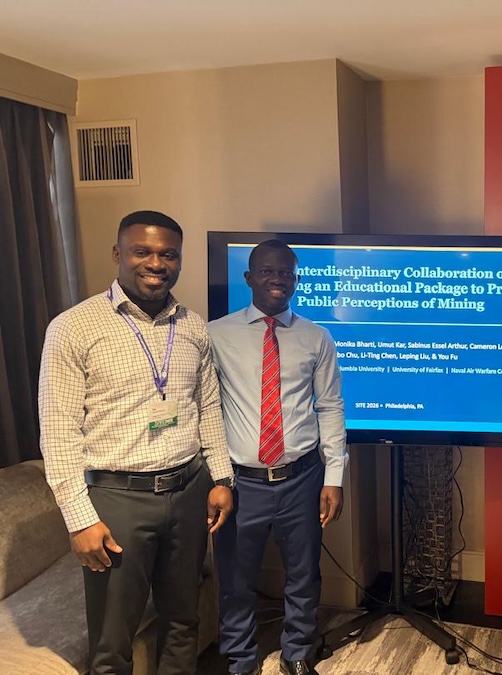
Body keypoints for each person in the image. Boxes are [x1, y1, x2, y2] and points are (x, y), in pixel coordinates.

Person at [38, 210, 235, 674]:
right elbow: (58, 432)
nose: (156, 263)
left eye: (168, 254)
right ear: (117, 254)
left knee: (183, 620)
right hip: (117, 499)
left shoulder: (192, 326)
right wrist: (79, 520)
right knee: (112, 643)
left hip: (189, 491)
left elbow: (208, 407)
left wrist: (221, 478)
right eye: (142, 252)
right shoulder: (73, 327)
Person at [207, 239, 347, 675]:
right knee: (236, 577)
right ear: (248, 278)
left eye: (286, 272)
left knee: (304, 574)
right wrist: (217, 477)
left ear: (296, 280)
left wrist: (334, 477)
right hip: (240, 483)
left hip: (302, 478)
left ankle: (298, 652)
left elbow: (330, 407)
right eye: (268, 271)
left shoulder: (316, 337)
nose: (278, 279)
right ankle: (240, 658)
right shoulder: (216, 335)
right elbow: (205, 408)